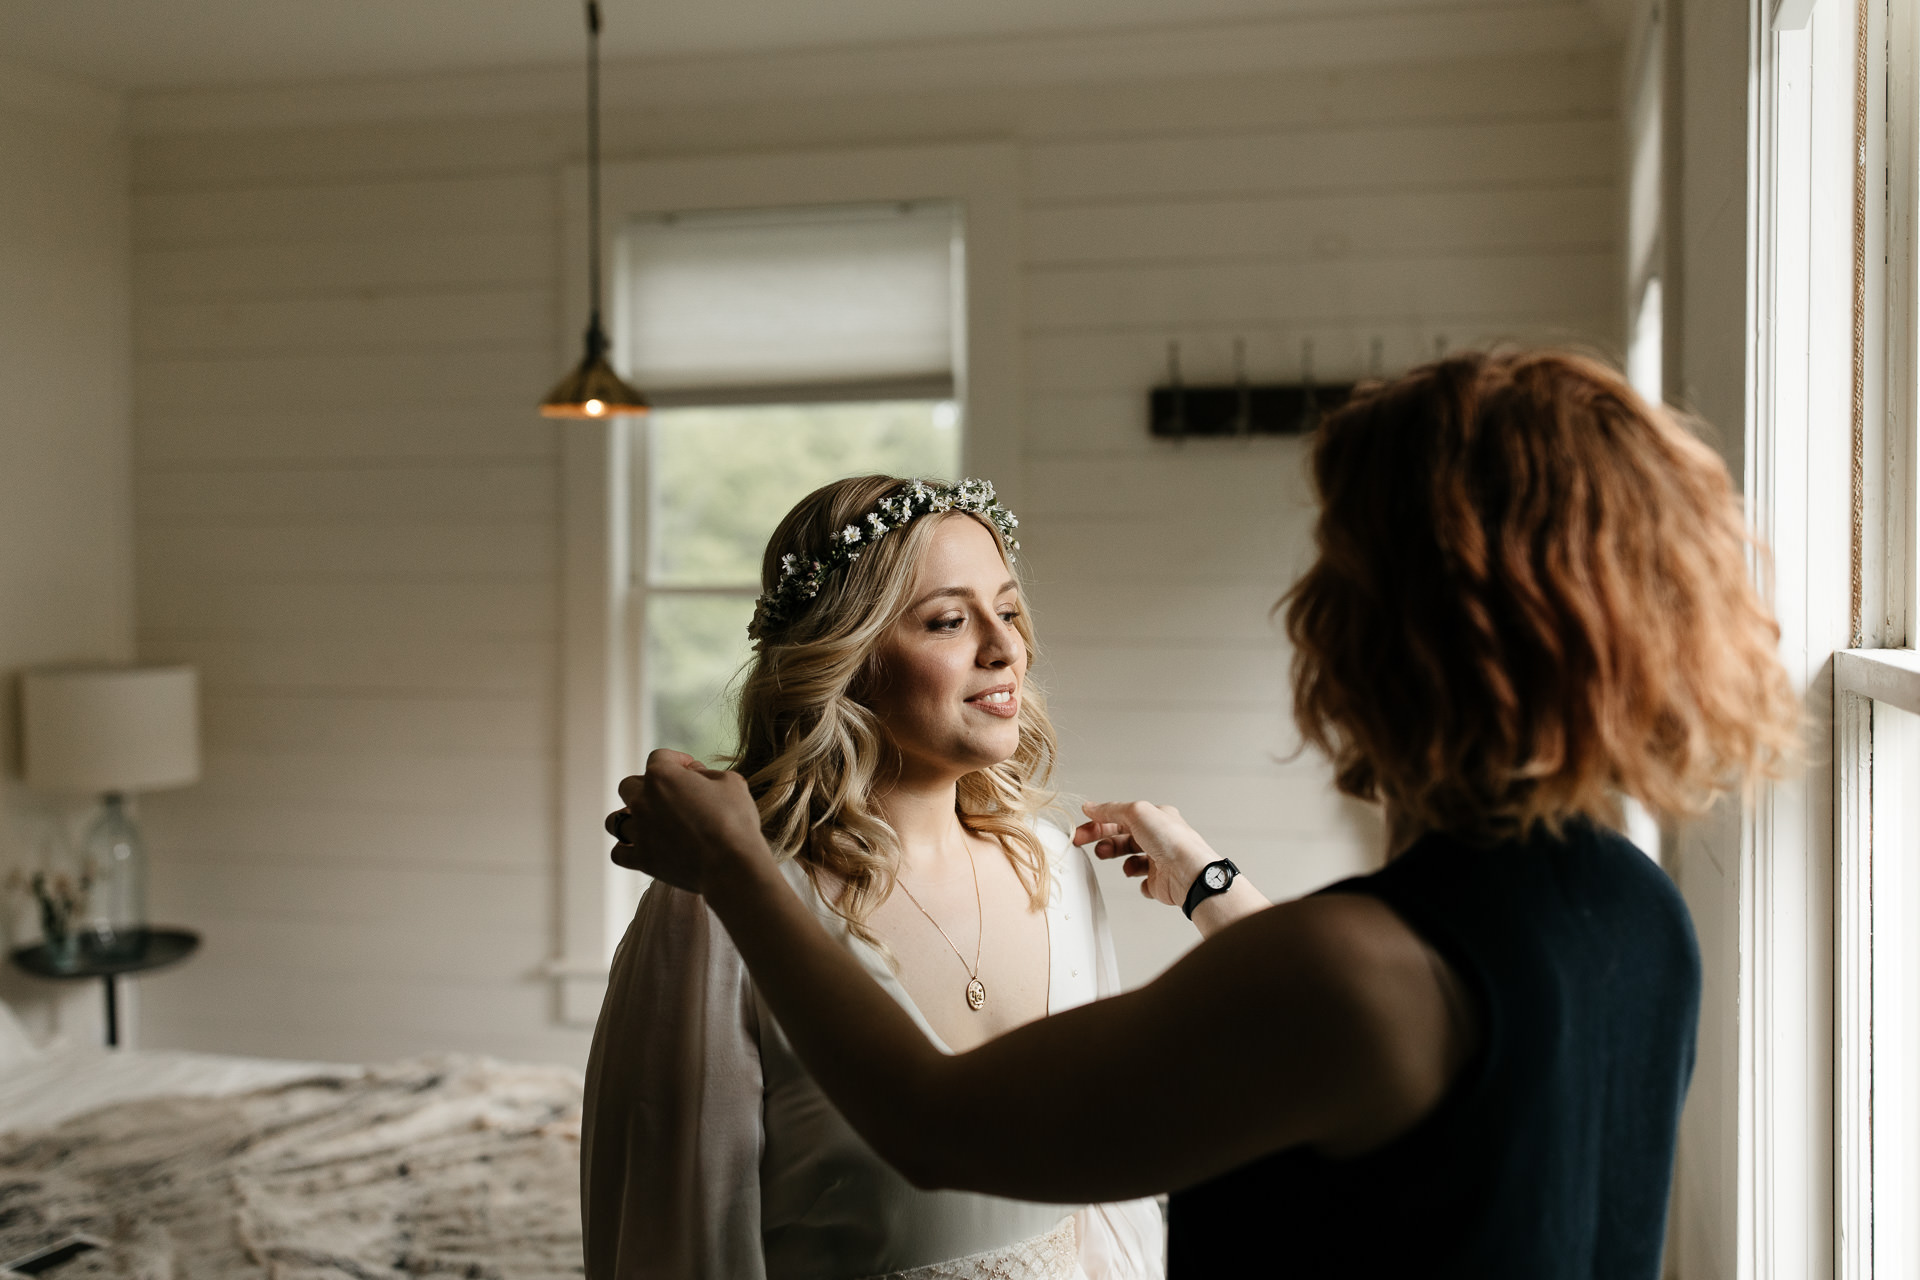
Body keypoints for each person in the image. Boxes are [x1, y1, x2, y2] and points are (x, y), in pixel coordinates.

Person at [606, 350, 1803, 1278]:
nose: (1304, 607)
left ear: (1403, 636)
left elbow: (935, 1124)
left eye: (1334, 569)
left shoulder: (1336, 969)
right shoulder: (1639, 911)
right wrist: (1214, 886)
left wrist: (739, 870)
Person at [581, 475, 1165, 1280]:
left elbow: (1110, 1201)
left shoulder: (1057, 869)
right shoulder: (719, 902)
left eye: (1010, 609)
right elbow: (677, 1226)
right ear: (845, 656)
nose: (1005, 648)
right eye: (950, 621)